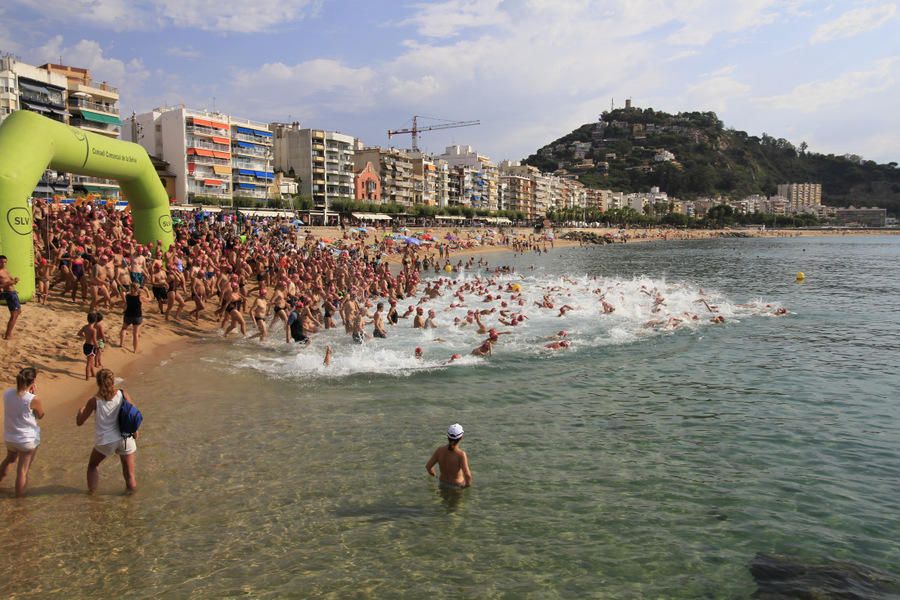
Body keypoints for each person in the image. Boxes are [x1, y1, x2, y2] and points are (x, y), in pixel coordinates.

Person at [75, 369, 138, 493]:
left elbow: (80, 422)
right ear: (113, 381)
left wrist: (80, 412)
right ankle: (131, 502)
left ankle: (93, 498)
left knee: (93, 465)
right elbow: (133, 413)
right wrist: (135, 431)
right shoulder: (123, 394)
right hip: (125, 437)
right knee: (129, 475)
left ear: (98, 382)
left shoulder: (94, 401)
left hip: (106, 440)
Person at [1, 368, 44, 497]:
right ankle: (19, 502)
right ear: (33, 381)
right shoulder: (33, 399)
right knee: (23, 472)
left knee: (9, 459)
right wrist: (33, 394)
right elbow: (40, 415)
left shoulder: (7, 393)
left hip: (10, 437)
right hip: (27, 440)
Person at [426, 423, 472, 489]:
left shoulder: (439, 450)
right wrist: (466, 486)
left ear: (448, 437)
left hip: (442, 483)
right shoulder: (461, 454)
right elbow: (468, 476)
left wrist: (435, 476)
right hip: (456, 486)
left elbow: (428, 467)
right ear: (461, 438)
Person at [120, 283, 148, 353]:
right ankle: (135, 350)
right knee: (135, 333)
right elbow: (149, 299)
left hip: (128, 315)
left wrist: (124, 310)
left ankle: (121, 343)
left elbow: (126, 305)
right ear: (137, 289)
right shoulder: (140, 297)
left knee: (124, 328)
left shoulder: (127, 296)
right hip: (137, 316)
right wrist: (147, 292)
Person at [0, 255, 22, 340]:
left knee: (18, 311)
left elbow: (10, 280)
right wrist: (10, 283)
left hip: (13, 292)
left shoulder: (5, 270)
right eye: (1, 262)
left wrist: (15, 280)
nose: (3, 263)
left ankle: (8, 333)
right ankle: (8, 335)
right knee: (14, 314)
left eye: (5, 262)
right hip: (8, 293)